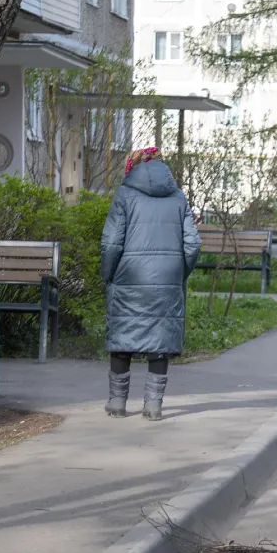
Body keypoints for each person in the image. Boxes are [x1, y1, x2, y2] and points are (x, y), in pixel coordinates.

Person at [101, 147, 201, 421]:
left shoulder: (124, 194)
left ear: (131, 167)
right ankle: (153, 406)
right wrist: (179, 273)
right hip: (167, 276)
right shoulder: (178, 197)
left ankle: (118, 402)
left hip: (129, 275)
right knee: (160, 340)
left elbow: (111, 242)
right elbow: (192, 244)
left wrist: (108, 274)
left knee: (124, 336)